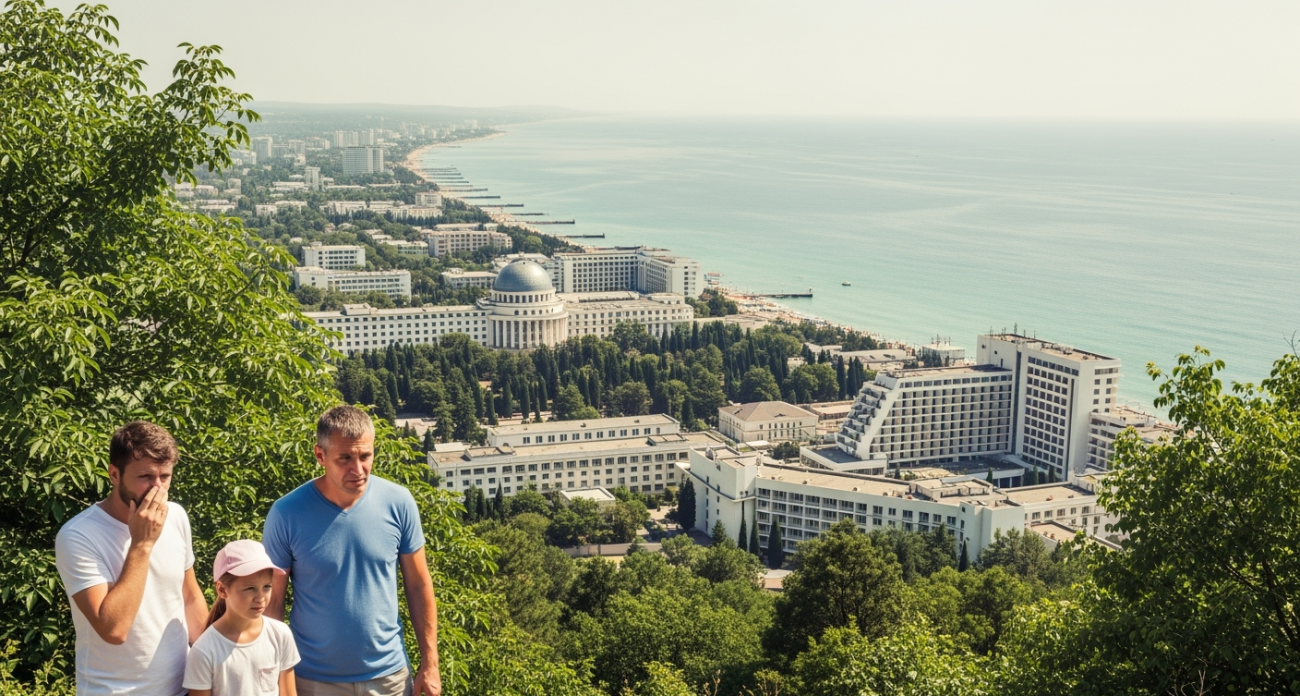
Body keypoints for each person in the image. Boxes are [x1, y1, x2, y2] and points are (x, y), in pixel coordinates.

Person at [264, 406, 441, 696]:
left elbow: (419, 584)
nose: (357, 470)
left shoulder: (398, 502)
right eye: (345, 458)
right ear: (320, 455)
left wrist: (430, 663)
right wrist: (274, 675)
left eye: (365, 456)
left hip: (389, 678)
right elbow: (272, 601)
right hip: (311, 680)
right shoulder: (286, 513)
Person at [54, 421, 208, 695]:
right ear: (114, 474)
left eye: (165, 476)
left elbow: (189, 596)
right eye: (145, 476)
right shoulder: (78, 535)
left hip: (182, 687)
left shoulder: (175, 515)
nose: (157, 488)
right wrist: (142, 544)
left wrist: (213, 660)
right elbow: (113, 630)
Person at [184, 540, 300, 696]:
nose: (261, 598)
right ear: (222, 589)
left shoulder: (281, 634)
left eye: (267, 586)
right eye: (250, 588)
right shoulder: (203, 651)